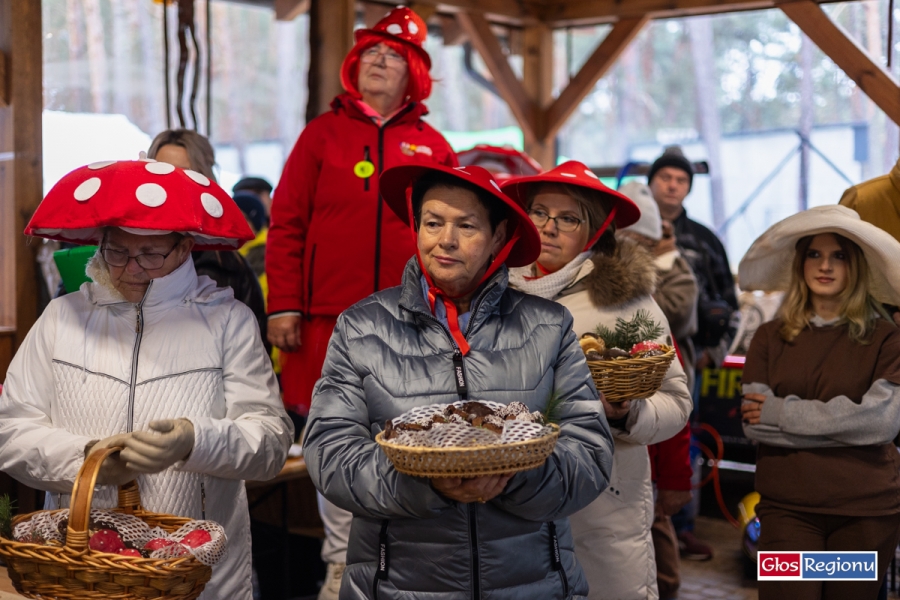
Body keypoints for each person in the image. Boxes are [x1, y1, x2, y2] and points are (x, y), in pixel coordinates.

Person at [303, 163, 614, 599]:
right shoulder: (361, 328)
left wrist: (512, 475)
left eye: (466, 226)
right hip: (397, 586)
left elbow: (590, 454)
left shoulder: (549, 327)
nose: (445, 239)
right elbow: (329, 453)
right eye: (432, 223)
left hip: (532, 584)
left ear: (498, 239)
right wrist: (425, 483)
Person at [0, 160, 294, 599]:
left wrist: (193, 441)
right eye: (116, 252)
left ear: (185, 247)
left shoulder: (228, 321)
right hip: (81, 572)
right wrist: (86, 459)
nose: (131, 269)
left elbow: (270, 443)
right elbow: (10, 432)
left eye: (151, 254)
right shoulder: (61, 319)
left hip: (200, 580)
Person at [265, 8, 457, 596]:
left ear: (415, 73)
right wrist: (284, 305)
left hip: (412, 324)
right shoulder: (320, 135)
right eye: (371, 51)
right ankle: (338, 566)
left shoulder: (434, 146)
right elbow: (287, 222)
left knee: (410, 436)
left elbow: (458, 239)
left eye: (393, 54)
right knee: (337, 439)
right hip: (327, 320)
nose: (379, 59)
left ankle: (401, 566)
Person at [503, 162, 692, 600]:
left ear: (593, 229)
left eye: (568, 218)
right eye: (539, 212)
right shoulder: (494, 295)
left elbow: (677, 402)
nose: (549, 227)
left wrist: (628, 411)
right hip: (511, 505)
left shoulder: (626, 302)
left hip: (605, 504)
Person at [739, 205, 900, 600]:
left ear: (856, 266)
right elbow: (752, 425)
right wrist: (847, 428)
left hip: (865, 513)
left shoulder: (887, 337)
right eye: (814, 254)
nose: (824, 265)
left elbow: (880, 423)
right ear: (800, 262)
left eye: (838, 256)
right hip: (786, 509)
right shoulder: (768, 336)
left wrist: (779, 412)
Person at [647, 145, 735, 560]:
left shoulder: (704, 240)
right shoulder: (630, 228)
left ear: (688, 188)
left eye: (681, 180)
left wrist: (713, 353)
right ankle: (646, 527)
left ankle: (680, 527)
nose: (672, 185)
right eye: (665, 177)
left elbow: (730, 304)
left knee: (684, 441)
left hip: (686, 359)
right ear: (651, 182)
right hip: (625, 360)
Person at [619, 181, 696, 599]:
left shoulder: (645, 307)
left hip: (643, 460)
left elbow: (673, 403)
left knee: (656, 540)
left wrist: (674, 476)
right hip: (612, 469)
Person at [147, 129, 269, 349]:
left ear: (205, 179)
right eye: (160, 171)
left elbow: (253, 348)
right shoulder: (122, 248)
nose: (169, 182)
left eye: (183, 173)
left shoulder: (228, 264)